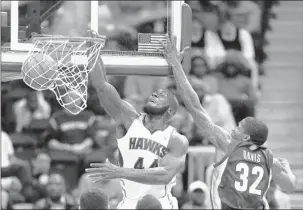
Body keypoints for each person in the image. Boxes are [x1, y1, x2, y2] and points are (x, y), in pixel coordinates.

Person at [161, 35, 296, 209]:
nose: (233, 130)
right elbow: (290, 186)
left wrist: (175, 65)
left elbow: (195, 106)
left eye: (238, 128)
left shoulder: (228, 144)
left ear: (246, 137)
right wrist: (288, 169)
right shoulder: (270, 159)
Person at [85, 42, 188, 209]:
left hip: (161, 204)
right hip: (130, 203)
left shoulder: (176, 140)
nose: (156, 93)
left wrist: (120, 172)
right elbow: (102, 86)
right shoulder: (129, 119)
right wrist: (92, 48)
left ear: (169, 112)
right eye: (156, 93)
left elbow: (165, 175)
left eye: (163, 95)